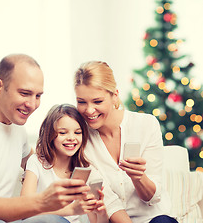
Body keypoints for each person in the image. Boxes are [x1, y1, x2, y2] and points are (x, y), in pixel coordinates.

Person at [0, 54, 90, 223]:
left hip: (5, 221)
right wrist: (42, 201)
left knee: (55, 221)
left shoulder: (17, 129)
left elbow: (38, 160)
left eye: (38, 96)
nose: (32, 104)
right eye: (24, 93)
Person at [73, 61, 178, 223]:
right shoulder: (80, 138)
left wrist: (138, 177)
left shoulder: (146, 125)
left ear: (115, 96)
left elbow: (152, 197)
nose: (89, 110)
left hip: (153, 218)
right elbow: (107, 200)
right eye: (81, 102)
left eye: (97, 101)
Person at [21, 104, 113, 223]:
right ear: (50, 135)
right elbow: (24, 210)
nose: (71, 138)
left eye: (77, 132)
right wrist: (70, 210)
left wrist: (101, 213)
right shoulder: (36, 162)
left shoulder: (85, 169)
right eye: (63, 133)